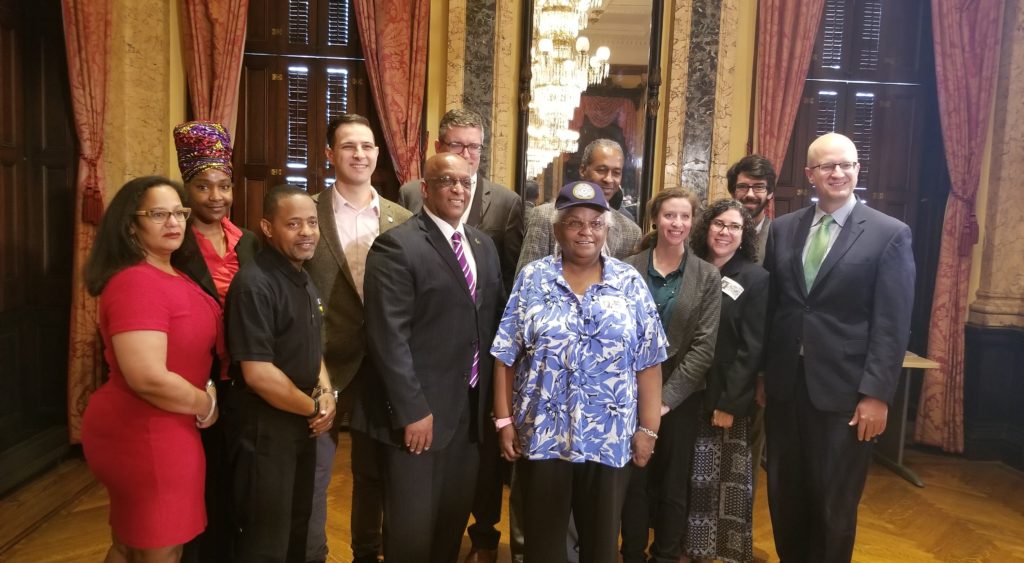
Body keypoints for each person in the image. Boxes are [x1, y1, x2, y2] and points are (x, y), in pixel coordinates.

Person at [492, 181, 666, 563]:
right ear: (557, 230)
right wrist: (504, 420)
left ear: (607, 229)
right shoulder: (533, 278)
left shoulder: (630, 283)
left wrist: (648, 430)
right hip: (542, 436)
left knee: (601, 547)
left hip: (609, 437)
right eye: (574, 222)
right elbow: (506, 354)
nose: (586, 231)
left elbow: (649, 361)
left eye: (595, 223)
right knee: (542, 546)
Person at [762, 132, 914, 562]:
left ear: (857, 170)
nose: (838, 173)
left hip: (846, 395)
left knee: (834, 505)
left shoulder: (889, 234)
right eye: (828, 166)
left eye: (846, 164)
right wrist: (763, 377)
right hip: (786, 389)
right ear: (810, 174)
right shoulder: (783, 229)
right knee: (785, 498)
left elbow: (892, 323)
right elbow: (776, 310)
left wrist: (877, 395)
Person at [355, 152, 504, 563]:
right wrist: (411, 409)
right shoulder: (397, 246)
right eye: (446, 181)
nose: (458, 189)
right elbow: (388, 338)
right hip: (419, 418)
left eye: (465, 182)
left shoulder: (483, 246)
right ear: (425, 188)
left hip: (470, 418)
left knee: (449, 528)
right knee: (410, 535)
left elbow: (492, 324)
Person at [397, 109, 522, 563]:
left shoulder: (491, 231)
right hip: (427, 395)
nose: (462, 174)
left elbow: (497, 305)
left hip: (475, 390)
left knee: (460, 502)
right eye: (456, 149)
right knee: (415, 521)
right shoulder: (403, 225)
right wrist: (413, 405)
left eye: (474, 151)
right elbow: (395, 327)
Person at [81, 176, 224, 563]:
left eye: (179, 212)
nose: (174, 222)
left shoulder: (171, 271)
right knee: (159, 549)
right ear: (131, 225)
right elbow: (146, 377)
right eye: (158, 214)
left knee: (131, 545)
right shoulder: (137, 282)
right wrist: (205, 403)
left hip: (168, 425)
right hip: (145, 430)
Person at [304, 113, 412, 563]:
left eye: (367, 146)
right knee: (314, 472)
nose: (359, 154)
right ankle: (312, 554)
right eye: (348, 146)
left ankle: (368, 553)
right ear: (330, 154)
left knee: (374, 473)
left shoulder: (403, 218)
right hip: (323, 364)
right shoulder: (306, 213)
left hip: (384, 365)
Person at [224, 184, 337, 562]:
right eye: (293, 224)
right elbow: (257, 372)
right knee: (265, 537)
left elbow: (312, 347)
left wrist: (325, 394)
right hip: (265, 430)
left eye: (311, 222)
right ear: (268, 228)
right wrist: (312, 408)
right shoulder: (254, 285)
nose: (306, 232)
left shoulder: (302, 277)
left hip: (301, 425)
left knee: (296, 525)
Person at [170, 120, 260, 563]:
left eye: (224, 186)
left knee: (235, 480)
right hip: (191, 383)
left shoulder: (249, 243)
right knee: (193, 484)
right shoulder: (172, 243)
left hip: (241, 380)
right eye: (204, 187)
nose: (216, 197)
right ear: (187, 189)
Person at [620, 188, 721, 563]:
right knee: (634, 481)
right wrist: (640, 396)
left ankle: (665, 555)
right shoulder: (626, 268)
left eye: (684, 217)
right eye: (669, 216)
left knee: (674, 484)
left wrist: (663, 401)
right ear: (655, 219)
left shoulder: (707, 275)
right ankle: (630, 553)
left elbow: (703, 347)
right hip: (627, 392)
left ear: (692, 223)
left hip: (680, 395)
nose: (676, 224)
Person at [684, 199, 769, 563]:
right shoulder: (690, 268)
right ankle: (683, 547)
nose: (725, 232)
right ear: (707, 228)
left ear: (744, 235)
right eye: (719, 224)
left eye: (735, 227)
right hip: (683, 392)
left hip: (723, 398)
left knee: (720, 483)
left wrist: (729, 404)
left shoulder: (755, 278)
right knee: (684, 477)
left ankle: (717, 553)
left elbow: (752, 348)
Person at [398, 108, 524, 291]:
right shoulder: (411, 194)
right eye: (456, 144)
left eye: (474, 146)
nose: (465, 154)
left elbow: (509, 276)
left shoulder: (506, 203)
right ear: (438, 147)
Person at [516, 139, 642, 274]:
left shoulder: (631, 232)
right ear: (583, 170)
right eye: (601, 170)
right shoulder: (544, 216)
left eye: (616, 173)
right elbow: (524, 281)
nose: (609, 179)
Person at [726, 154, 776, 263]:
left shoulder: (778, 239)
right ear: (732, 192)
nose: (750, 194)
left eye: (759, 187)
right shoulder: (717, 233)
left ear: (770, 193)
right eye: (742, 187)